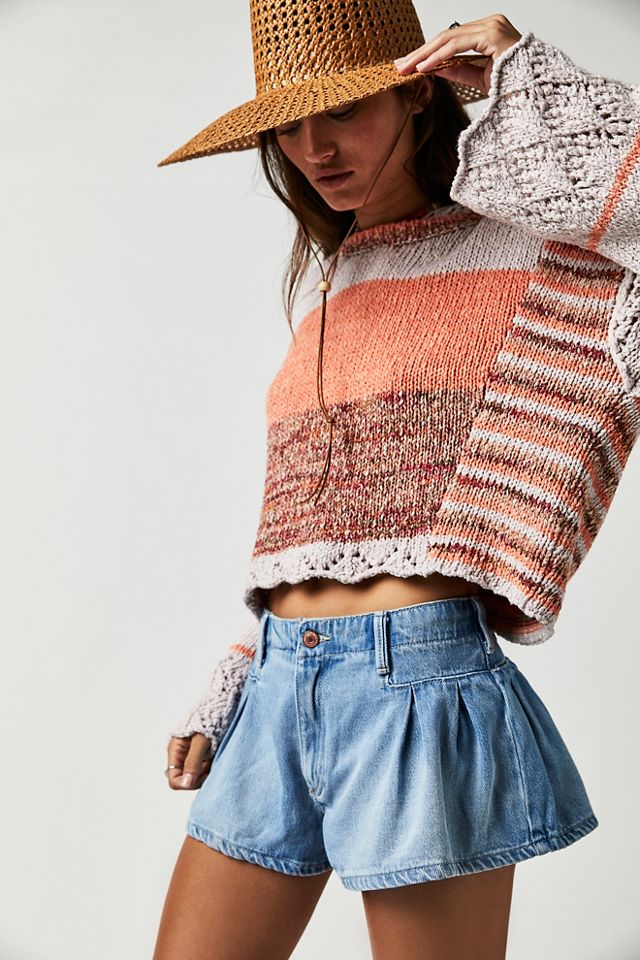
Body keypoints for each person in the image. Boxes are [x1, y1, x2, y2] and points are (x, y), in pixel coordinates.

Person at [152, 2, 640, 957]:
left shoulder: (553, 259)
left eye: (343, 110)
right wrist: (241, 673)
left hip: (421, 687)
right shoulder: (330, 288)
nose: (314, 148)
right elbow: (316, 529)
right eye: (290, 126)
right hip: (278, 687)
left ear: (417, 96)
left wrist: (526, 78)